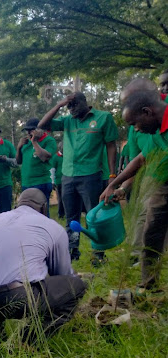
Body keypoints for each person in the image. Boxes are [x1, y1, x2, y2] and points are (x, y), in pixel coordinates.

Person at [0, 189, 87, 346]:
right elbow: (62, 274)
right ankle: (27, 341)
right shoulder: (53, 228)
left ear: (17, 205)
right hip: (12, 297)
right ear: (43, 207)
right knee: (76, 287)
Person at [100, 79, 168, 291]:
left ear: (147, 112)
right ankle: (149, 285)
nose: (135, 131)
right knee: (152, 229)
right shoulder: (155, 128)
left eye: (134, 124)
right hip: (162, 180)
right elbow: (140, 158)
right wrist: (114, 185)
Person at [38, 92, 119, 265]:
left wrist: (113, 175)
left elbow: (111, 146)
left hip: (91, 175)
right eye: (69, 106)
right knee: (71, 216)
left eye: (74, 104)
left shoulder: (103, 118)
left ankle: (98, 253)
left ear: (84, 101)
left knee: (93, 216)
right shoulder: (67, 121)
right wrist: (59, 105)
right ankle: (72, 251)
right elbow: (42, 124)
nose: (72, 109)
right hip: (68, 175)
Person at [16, 118, 57, 216]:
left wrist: (34, 142)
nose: (29, 133)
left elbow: (44, 157)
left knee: (42, 213)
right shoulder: (26, 143)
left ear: (40, 129)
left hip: (41, 183)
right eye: (27, 131)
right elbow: (18, 161)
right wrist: (19, 147)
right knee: (27, 214)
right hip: (26, 183)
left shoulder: (49, 141)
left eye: (32, 130)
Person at [50, 144, 66, 219]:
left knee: (67, 197)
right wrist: (53, 181)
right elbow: (52, 170)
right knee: (60, 198)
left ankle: (66, 212)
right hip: (59, 181)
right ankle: (61, 214)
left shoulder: (67, 156)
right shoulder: (56, 157)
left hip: (67, 180)